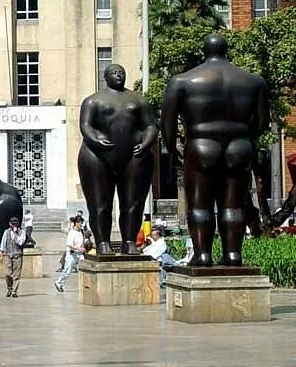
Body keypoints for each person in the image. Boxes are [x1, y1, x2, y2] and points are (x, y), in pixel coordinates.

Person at [160, 34, 268, 267]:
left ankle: (202, 254)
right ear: (226, 50)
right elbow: (261, 123)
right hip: (239, 145)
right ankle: (233, 255)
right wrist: (244, 136)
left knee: (200, 205)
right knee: (233, 205)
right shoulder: (253, 81)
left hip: (201, 144)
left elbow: (167, 124)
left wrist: (173, 149)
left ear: (204, 51)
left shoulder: (182, 81)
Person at [79, 64, 159, 255]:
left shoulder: (138, 100)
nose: (118, 75)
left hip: (133, 154)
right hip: (97, 155)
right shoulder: (92, 101)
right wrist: (95, 138)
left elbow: (150, 126)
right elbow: (85, 125)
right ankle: (102, 242)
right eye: (114, 73)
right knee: (100, 204)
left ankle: (129, 241)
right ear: (105, 77)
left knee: (133, 204)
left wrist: (146, 142)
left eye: (122, 72)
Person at [54, 218, 86, 292]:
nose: (81, 224)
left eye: (82, 223)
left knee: (85, 267)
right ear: (76, 223)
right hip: (72, 254)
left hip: (80, 254)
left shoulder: (81, 231)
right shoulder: (71, 232)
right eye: (80, 223)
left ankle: (85, 284)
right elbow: (69, 244)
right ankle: (59, 283)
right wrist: (78, 248)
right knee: (67, 270)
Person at [0, 216, 26, 298]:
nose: (14, 225)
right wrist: (1, 254)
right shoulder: (6, 232)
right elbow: (3, 244)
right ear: (9, 224)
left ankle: (14, 291)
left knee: (16, 274)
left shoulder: (22, 232)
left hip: (18, 256)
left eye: (16, 223)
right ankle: (9, 288)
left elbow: (21, 242)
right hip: (8, 255)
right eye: (12, 223)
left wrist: (16, 234)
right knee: (7, 274)